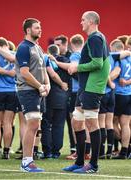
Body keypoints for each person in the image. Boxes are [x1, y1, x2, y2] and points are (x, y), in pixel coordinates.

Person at [62, 11, 110, 173]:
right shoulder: (96, 38)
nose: (80, 22)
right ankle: (80, 162)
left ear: (90, 21)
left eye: (83, 19)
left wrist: (77, 67)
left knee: (91, 123)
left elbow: (98, 63)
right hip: (85, 88)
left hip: (91, 88)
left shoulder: (96, 38)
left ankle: (93, 165)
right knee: (77, 121)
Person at [16, 18, 50, 172]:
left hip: (39, 91)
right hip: (28, 91)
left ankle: (29, 160)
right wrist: (40, 86)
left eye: (40, 27)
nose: (40, 29)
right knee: (33, 124)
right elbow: (24, 73)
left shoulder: (38, 47)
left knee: (36, 126)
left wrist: (47, 84)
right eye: (37, 27)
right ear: (28, 30)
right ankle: (26, 162)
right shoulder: (23, 47)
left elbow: (44, 68)